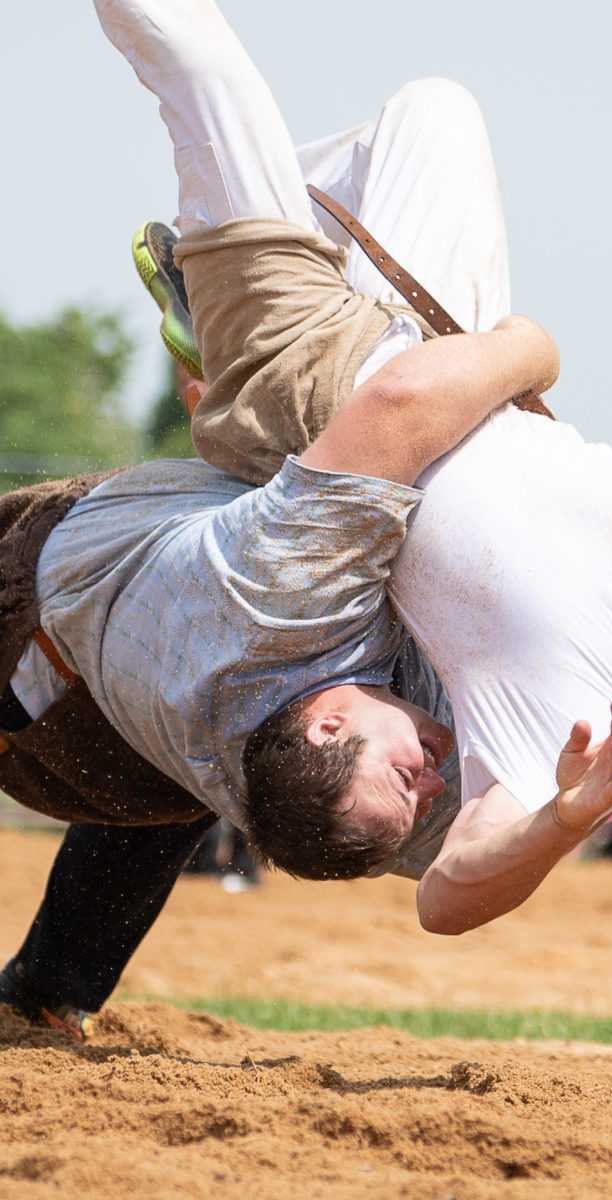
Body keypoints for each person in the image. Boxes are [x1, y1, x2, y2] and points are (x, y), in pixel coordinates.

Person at [0, 0, 571, 1036]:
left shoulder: (275, 594)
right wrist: (566, 814)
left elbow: (394, 413)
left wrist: (529, 354)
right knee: (435, 111)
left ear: (328, 716)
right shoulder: (351, 791)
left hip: (71, 591)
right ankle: (47, 987)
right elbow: (453, 870)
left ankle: (222, 301)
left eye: (410, 770)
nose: (435, 768)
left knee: (210, 74)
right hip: (212, 622)